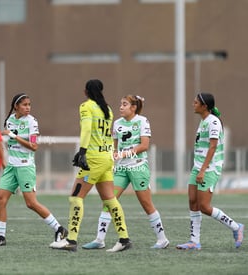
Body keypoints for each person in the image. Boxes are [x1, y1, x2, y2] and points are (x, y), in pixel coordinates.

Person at [50, 79, 131, 252]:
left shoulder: (86, 106)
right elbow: (108, 135)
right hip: (107, 158)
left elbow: (86, 130)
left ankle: (71, 240)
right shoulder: (107, 109)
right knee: (110, 199)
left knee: (75, 197)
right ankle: (124, 238)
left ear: (86, 91)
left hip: (93, 158)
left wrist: (83, 152)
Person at [82, 95, 169, 250]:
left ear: (133, 107)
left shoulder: (142, 121)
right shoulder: (117, 123)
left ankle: (162, 240)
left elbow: (144, 146)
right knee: (109, 201)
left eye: (124, 104)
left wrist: (124, 154)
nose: (121, 107)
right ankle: (99, 240)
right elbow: (114, 146)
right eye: (120, 104)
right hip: (121, 169)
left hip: (138, 167)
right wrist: (110, 155)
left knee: (146, 204)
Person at [0, 93, 68, 246]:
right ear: (16, 106)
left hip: (25, 167)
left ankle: (59, 229)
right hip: (11, 167)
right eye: (24, 105)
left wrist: (14, 136)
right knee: (0, 200)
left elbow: (34, 146)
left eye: (29, 104)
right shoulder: (10, 120)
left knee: (31, 203)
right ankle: (0, 237)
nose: (28, 107)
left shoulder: (32, 122)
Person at [176, 93, 244, 250]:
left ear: (204, 106)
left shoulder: (213, 122)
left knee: (204, 206)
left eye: (196, 102)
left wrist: (203, 170)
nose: (193, 104)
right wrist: (198, 168)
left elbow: (213, 147)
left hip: (209, 168)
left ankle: (236, 227)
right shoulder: (204, 121)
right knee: (193, 202)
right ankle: (194, 241)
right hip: (198, 167)